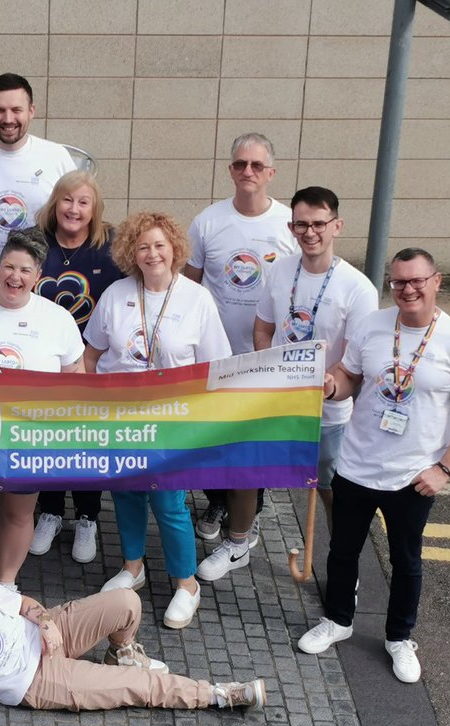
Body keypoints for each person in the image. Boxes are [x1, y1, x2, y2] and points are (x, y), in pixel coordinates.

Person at [297, 248, 450, 684]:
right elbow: (349, 378)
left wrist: (444, 469)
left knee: (407, 561)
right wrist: (331, 386)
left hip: (412, 477)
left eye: (417, 280)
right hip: (357, 465)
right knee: (342, 551)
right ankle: (338, 620)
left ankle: (400, 638)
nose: (408, 290)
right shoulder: (373, 326)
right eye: (399, 282)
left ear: (436, 281)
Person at [193, 187, 379, 582]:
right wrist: (272, 369)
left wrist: (331, 385)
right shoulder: (280, 269)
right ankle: (239, 544)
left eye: (318, 224)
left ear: (336, 226)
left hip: (326, 410)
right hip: (276, 399)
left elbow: (357, 364)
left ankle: (344, 565)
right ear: (291, 226)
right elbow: (264, 328)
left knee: (330, 487)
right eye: (300, 224)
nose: (309, 232)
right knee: (247, 467)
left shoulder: (357, 288)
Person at [0, 540, 267, 724]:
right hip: (34, 679)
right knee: (140, 685)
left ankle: (122, 648)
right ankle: (221, 696)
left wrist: (46, 623)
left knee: (126, 602)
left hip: (50, 632)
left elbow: (25, 604)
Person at [83, 212, 231, 629]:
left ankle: (186, 584)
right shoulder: (115, 294)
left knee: (169, 502)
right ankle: (133, 568)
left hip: (173, 419)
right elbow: (91, 356)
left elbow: (214, 367)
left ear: (175, 250)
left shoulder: (197, 299)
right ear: (132, 252)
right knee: (127, 494)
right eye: (143, 246)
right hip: (120, 418)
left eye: (160, 245)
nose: (152, 254)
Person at [0, 228, 84, 588]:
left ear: (38, 275)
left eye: (24, 270)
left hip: (28, 438)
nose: (14, 277)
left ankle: (7, 586)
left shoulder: (58, 320)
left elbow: (75, 380)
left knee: (19, 516)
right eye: (8, 266)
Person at [184, 133, 298, 560]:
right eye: (239, 164)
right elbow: (189, 284)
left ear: (271, 172)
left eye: (255, 165)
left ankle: (246, 516)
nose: (246, 172)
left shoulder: (288, 225)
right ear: (230, 169)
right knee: (212, 438)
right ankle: (216, 500)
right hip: (215, 354)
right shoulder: (208, 221)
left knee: (252, 444)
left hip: (265, 357)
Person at [25, 170, 124, 565]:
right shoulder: (35, 242)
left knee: (85, 440)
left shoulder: (110, 247)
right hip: (43, 361)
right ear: (55, 203)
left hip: (91, 360)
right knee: (49, 439)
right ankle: (49, 511)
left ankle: (87, 516)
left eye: (83, 202)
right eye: (67, 200)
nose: (74, 209)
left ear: (94, 208)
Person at [0, 72, 75, 291]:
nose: (8, 119)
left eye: (16, 110)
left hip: (41, 293)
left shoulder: (56, 157)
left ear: (31, 111)